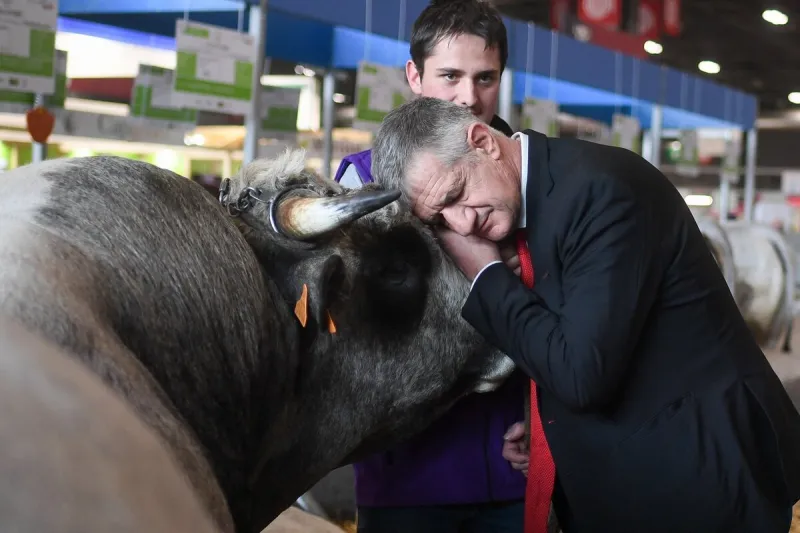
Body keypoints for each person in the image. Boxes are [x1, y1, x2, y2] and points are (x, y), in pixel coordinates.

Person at [369, 95, 800, 532]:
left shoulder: (602, 190)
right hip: (638, 476)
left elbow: (582, 374)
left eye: (456, 195)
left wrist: (487, 274)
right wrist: (548, 425)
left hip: (702, 480)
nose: (461, 226)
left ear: (483, 142)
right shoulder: (530, 203)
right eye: (440, 220)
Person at [333, 1, 532, 532]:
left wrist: (550, 421)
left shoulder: (531, 175)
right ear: (415, 76)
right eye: (450, 75)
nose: (469, 97)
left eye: (485, 77)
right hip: (404, 470)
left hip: (514, 465)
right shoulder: (363, 183)